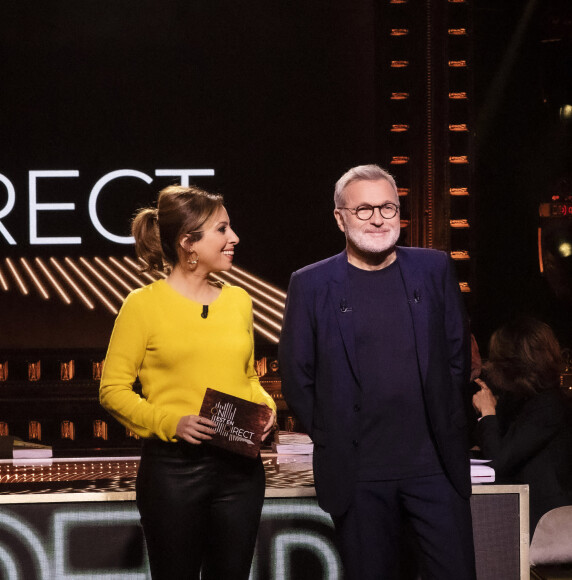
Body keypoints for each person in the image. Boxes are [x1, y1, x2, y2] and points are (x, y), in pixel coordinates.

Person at [279, 164, 476, 579]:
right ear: (340, 218)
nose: (377, 219)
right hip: (359, 475)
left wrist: (450, 420)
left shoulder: (434, 268)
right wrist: (331, 434)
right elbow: (297, 373)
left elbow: (457, 354)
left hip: (435, 467)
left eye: (387, 207)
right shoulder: (311, 284)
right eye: (364, 209)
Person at [100, 185, 276, 580]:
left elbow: (248, 376)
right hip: (175, 473)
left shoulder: (239, 301)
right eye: (222, 229)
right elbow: (112, 390)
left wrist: (267, 407)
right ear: (188, 243)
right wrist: (170, 422)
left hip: (240, 470)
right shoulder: (142, 305)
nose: (234, 239)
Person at [472, 317, 572, 537]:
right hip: (520, 510)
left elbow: (498, 461)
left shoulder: (548, 406)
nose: (491, 364)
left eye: (497, 359)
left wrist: (488, 413)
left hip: (547, 522)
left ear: (513, 364)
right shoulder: (520, 400)